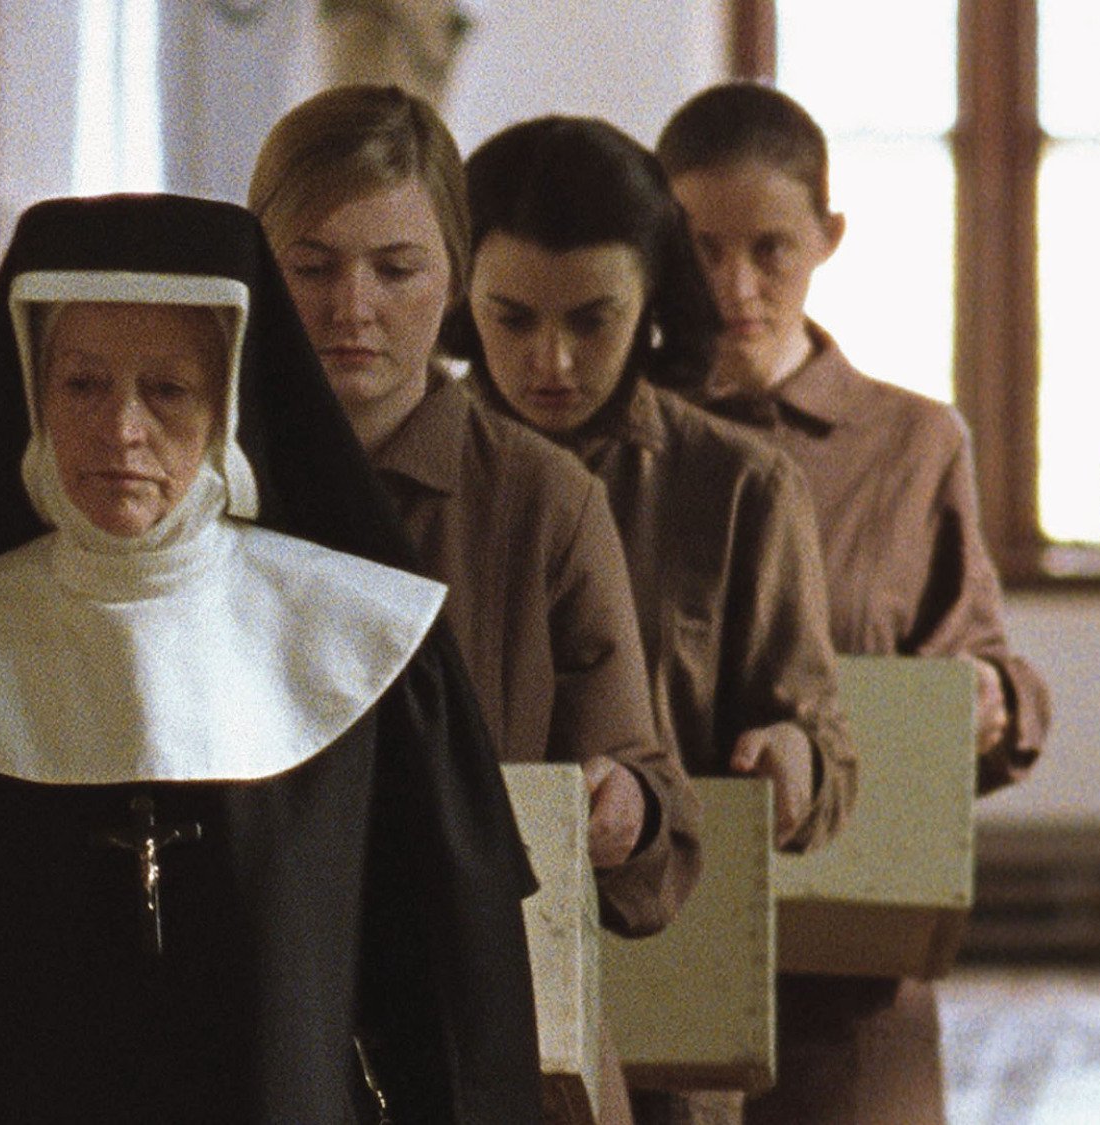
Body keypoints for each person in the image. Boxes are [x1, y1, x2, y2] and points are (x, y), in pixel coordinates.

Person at [0, 193, 543, 1123]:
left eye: (168, 390)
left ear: (230, 402)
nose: (121, 430)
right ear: (32, 392)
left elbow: (460, 1013)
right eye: (82, 385)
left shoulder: (369, 656)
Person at [250, 84, 702, 1125]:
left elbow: (655, 802)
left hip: (493, 1045)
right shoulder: (205, 482)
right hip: (269, 1029)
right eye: (310, 266)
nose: (348, 307)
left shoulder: (540, 500)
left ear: (452, 275)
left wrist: (621, 809)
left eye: (394, 268)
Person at [657, 81, 1054, 1124]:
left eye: (768, 249)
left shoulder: (911, 442)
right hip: (654, 951)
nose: (731, 285)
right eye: (698, 247)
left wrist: (986, 697)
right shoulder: (622, 443)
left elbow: (981, 657)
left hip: (851, 970)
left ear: (827, 237)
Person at [453, 115, 860, 1125]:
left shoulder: (735, 486)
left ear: (652, 307)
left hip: (665, 998)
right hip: (454, 995)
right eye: (510, 319)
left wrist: (793, 764)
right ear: (460, 299)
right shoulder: (411, 479)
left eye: (592, 321)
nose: (549, 361)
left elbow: (825, 745)